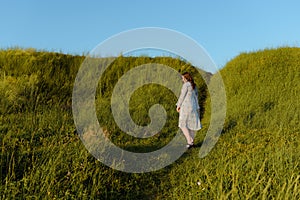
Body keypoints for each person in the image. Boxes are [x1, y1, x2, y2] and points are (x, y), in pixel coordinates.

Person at [176, 72, 202, 149]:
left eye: (183, 78)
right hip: (193, 107)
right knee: (192, 124)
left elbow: (182, 96)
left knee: (182, 124)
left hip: (185, 107)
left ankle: (189, 142)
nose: (182, 79)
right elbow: (196, 97)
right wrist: (197, 107)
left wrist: (178, 105)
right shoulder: (194, 86)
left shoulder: (186, 85)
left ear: (186, 78)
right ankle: (192, 141)